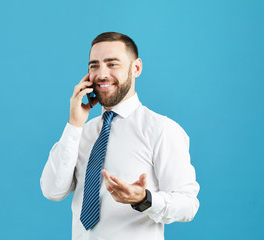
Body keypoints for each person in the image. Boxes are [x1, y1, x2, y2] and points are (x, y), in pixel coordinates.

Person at [40, 32, 200, 240]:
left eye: (112, 64)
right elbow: (53, 190)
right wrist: (74, 124)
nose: (102, 74)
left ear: (136, 68)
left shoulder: (161, 129)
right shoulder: (82, 132)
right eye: (94, 65)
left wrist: (144, 198)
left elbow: (188, 205)